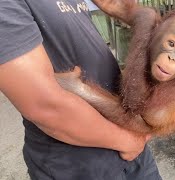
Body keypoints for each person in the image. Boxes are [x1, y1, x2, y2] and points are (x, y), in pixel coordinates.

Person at [0, 0, 162, 179]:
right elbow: (44, 106)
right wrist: (128, 141)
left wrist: (136, 15)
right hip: (78, 164)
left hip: (130, 147)